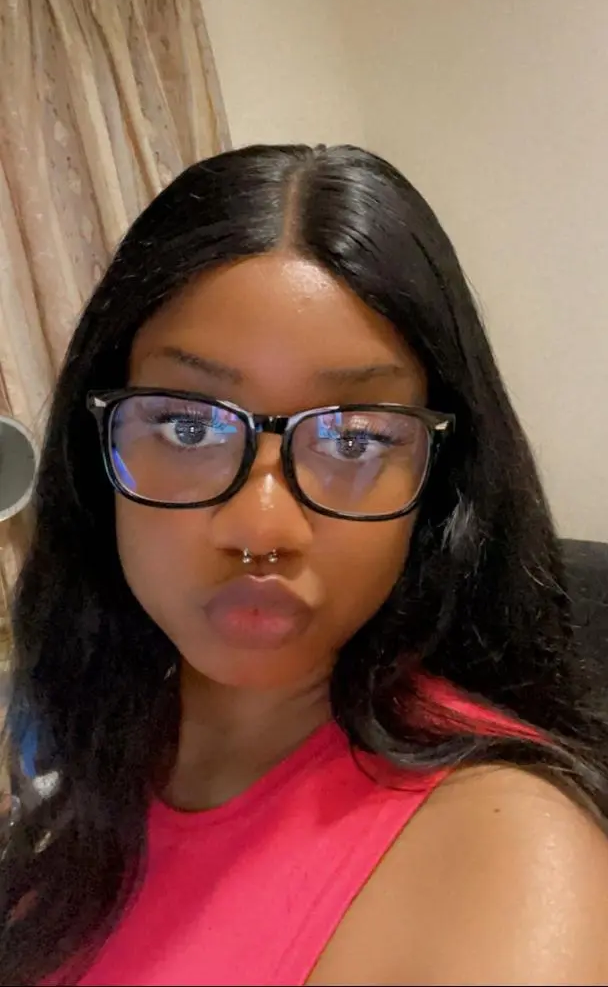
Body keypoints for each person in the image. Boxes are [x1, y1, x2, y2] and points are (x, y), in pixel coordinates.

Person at [1, 144, 607, 987]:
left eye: (356, 440)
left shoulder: (505, 862)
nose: (262, 527)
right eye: (187, 427)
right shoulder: (101, 772)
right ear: (94, 451)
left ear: (440, 485)